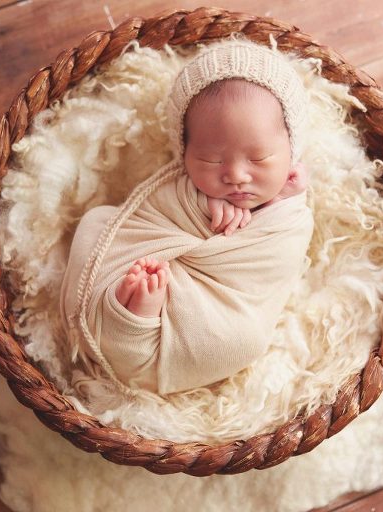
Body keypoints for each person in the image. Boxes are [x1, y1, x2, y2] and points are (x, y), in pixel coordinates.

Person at [60, 37, 314, 395]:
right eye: (211, 160)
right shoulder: (179, 188)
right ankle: (131, 314)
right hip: (151, 263)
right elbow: (152, 214)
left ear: (291, 150)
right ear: (184, 153)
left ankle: (134, 319)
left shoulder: (292, 213)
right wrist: (199, 205)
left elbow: (273, 262)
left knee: (245, 340)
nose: (236, 175)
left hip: (220, 312)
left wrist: (279, 200)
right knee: (97, 223)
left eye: (259, 159)